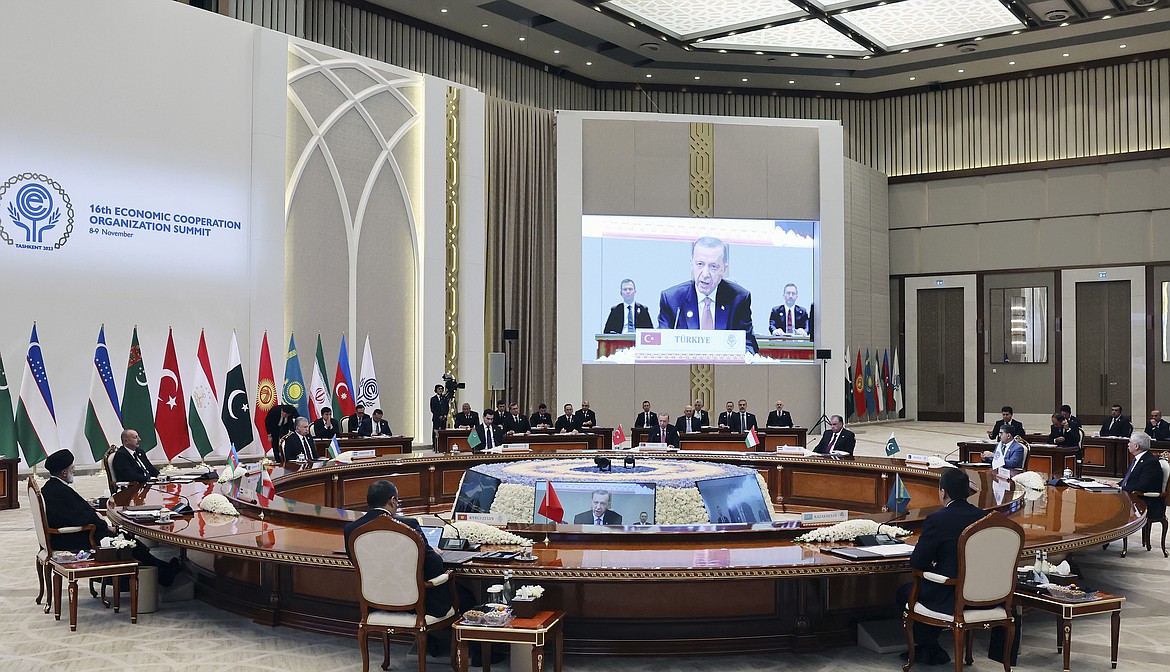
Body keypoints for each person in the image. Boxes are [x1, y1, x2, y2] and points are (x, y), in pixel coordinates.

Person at [41, 449, 182, 586]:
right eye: (72, 468)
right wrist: (105, 526)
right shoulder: (59, 491)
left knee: (130, 540)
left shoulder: (53, 487)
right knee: (129, 543)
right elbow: (79, 518)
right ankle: (164, 576)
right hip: (75, 539)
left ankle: (164, 569)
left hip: (78, 534)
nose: (74, 470)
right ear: (64, 472)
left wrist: (97, 518)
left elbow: (78, 513)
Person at [896, 468, 989, 666]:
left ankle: (928, 647)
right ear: (967, 491)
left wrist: (934, 561)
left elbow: (917, 563)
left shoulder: (938, 519)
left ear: (943, 492)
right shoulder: (985, 518)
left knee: (905, 592)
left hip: (951, 595)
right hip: (986, 596)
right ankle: (930, 648)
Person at [344, 480, 451, 617]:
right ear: (393, 500)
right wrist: (431, 551)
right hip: (418, 605)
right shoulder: (408, 525)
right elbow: (434, 565)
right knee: (464, 595)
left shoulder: (351, 529)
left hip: (374, 605)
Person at [657, 236, 758, 354]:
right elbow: (662, 345)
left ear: (724, 269)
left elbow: (748, 345)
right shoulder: (672, 299)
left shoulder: (738, 298)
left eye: (713, 266)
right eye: (700, 264)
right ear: (692, 264)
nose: (705, 274)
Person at [1119, 432, 1166, 523]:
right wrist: (1117, 485)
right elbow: (1130, 478)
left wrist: (1121, 488)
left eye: (1130, 442)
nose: (1128, 444)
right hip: (1133, 496)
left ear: (1136, 446)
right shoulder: (1138, 458)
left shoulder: (1150, 462)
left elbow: (1143, 485)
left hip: (1146, 502)